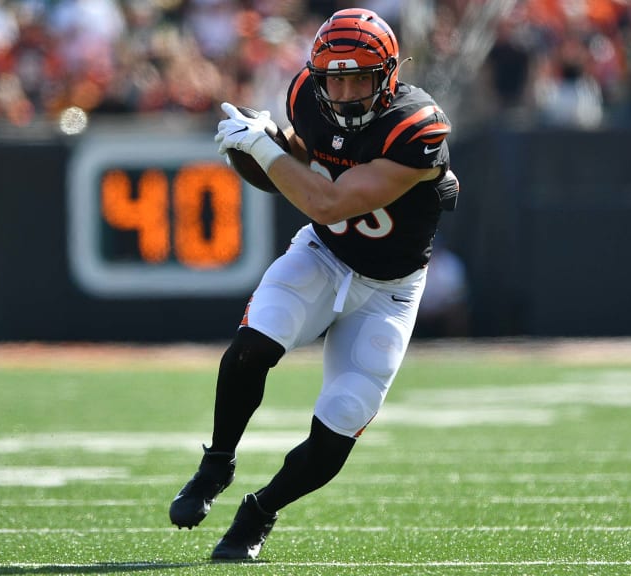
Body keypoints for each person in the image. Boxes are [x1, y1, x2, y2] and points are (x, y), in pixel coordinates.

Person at [169, 7, 459, 561]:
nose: (346, 92)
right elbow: (308, 161)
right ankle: (217, 463)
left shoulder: (417, 125)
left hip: (390, 288)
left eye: (360, 78)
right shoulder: (307, 90)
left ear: (389, 76)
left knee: (343, 417)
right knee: (252, 346)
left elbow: (329, 198)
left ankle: (259, 512)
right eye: (336, 78)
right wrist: (271, 139)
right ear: (317, 75)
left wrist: (265, 149)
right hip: (325, 252)